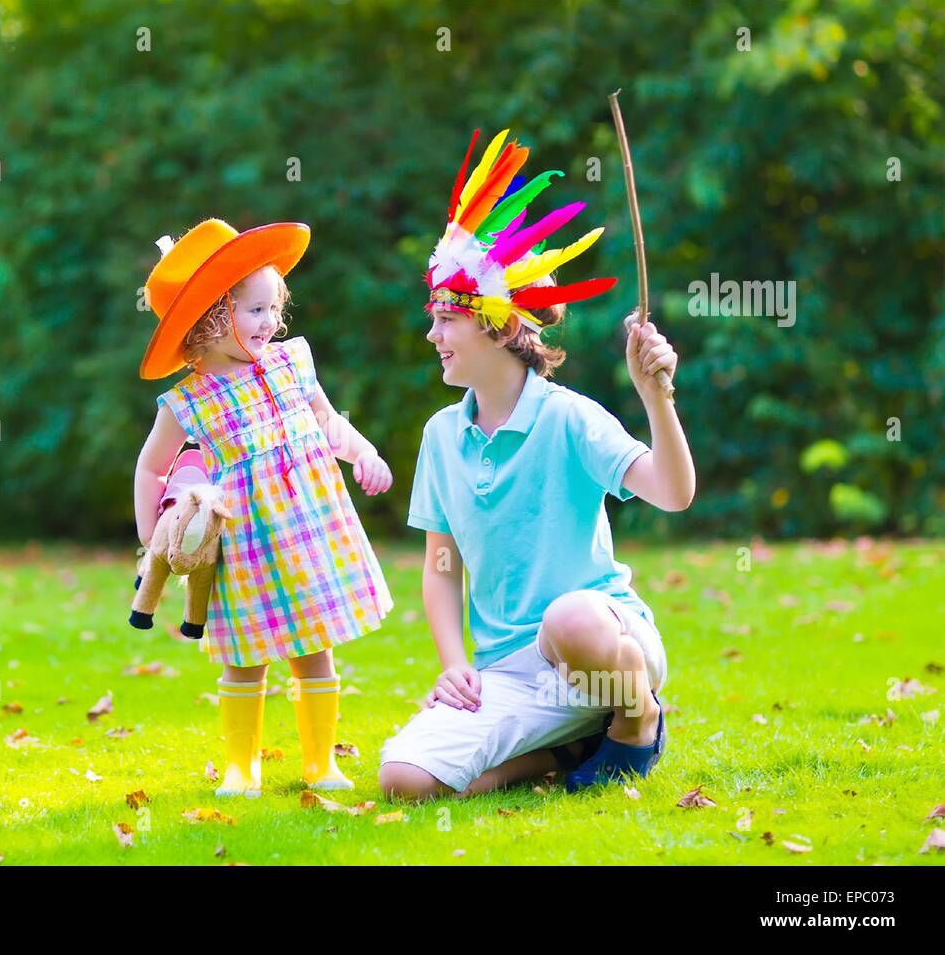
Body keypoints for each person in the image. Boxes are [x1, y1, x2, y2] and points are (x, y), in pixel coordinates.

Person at [378, 130, 695, 799]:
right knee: (404, 779)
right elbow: (441, 569)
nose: (432, 336)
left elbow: (672, 492)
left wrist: (655, 398)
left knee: (568, 618)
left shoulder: (570, 419)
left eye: (444, 320)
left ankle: (637, 721)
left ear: (494, 326)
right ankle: (569, 752)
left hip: (604, 648)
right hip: (512, 674)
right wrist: (456, 664)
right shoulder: (441, 437)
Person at [134, 219, 394, 797]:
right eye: (256, 310)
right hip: (246, 544)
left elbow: (328, 423)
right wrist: (153, 537)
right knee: (245, 654)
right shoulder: (188, 400)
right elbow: (151, 467)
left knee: (313, 646)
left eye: (275, 309)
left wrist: (364, 453)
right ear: (212, 316)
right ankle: (241, 766)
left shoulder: (290, 362)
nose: (272, 322)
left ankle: (320, 761)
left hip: (309, 529)